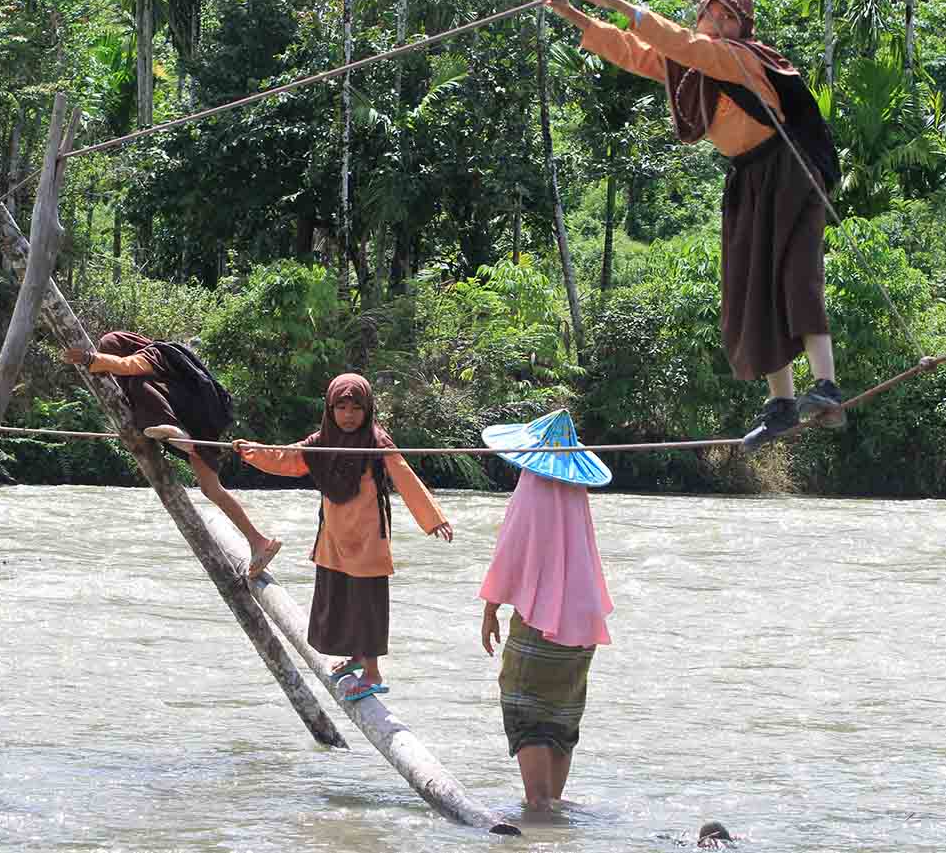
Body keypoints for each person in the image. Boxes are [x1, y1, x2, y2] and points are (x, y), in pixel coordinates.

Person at [543, 0, 847, 451]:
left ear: (743, 28)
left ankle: (826, 386)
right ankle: (781, 405)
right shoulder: (688, 70)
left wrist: (614, 1)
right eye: (713, 15)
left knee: (796, 275)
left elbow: (679, 42)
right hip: (747, 178)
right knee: (751, 288)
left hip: (788, 170)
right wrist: (574, 14)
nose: (720, 25)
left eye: (731, 18)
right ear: (700, 15)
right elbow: (630, 50)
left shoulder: (740, 58)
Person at [234, 373, 453, 702]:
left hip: (367, 538)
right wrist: (252, 452)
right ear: (330, 408)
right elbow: (288, 458)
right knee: (338, 597)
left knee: (366, 602)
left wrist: (433, 519)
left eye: (356, 408)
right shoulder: (323, 441)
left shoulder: (376, 441)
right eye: (341, 407)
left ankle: (373, 673)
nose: (348, 415)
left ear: (368, 410)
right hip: (335, 536)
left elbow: (403, 474)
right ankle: (353, 657)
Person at [478, 409, 613, 812]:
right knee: (561, 713)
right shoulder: (576, 493)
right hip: (584, 621)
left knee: (524, 704)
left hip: (543, 621)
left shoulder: (532, 486)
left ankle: (538, 805)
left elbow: (511, 553)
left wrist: (490, 610)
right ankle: (551, 803)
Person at [65, 331, 280, 569]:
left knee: (138, 381)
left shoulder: (154, 353)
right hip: (190, 426)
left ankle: (175, 432)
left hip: (192, 418)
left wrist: (90, 359)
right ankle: (259, 542)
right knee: (211, 489)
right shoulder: (145, 368)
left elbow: (128, 364)